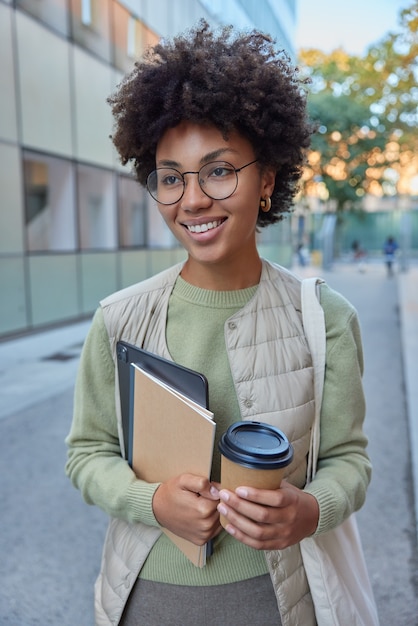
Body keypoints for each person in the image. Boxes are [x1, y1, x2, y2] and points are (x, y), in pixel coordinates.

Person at [65, 21, 372, 626]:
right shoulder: (119, 319)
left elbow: (350, 460)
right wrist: (150, 501)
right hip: (147, 599)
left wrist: (311, 510)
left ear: (267, 182)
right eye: (171, 177)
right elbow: (86, 453)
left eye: (219, 170)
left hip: (279, 601)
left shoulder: (327, 319)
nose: (193, 199)